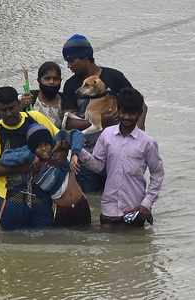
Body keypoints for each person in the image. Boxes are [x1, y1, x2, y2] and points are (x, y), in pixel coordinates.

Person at [60, 34, 148, 193]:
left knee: (124, 197)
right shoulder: (71, 85)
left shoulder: (114, 77)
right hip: (86, 155)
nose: (69, 66)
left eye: (72, 60)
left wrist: (139, 134)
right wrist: (100, 121)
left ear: (86, 57)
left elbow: (141, 106)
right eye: (67, 61)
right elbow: (68, 124)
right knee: (90, 202)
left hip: (119, 154)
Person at [78, 87, 164, 228]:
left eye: (132, 114)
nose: (127, 117)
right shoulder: (106, 135)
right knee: (109, 246)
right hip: (109, 208)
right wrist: (78, 151)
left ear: (139, 114)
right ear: (118, 110)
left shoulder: (147, 142)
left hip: (135, 208)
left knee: (135, 247)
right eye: (124, 112)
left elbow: (158, 173)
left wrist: (146, 203)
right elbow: (99, 166)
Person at [0, 86, 59, 230]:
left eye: (12, 108)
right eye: (3, 110)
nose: (9, 113)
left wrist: (46, 160)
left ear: (18, 104)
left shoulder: (35, 118)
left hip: (41, 195)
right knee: (10, 241)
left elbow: (60, 141)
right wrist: (27, 167)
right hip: (11, 199)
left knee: (47, 239)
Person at [0, 124, 91, 227]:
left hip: (81, 204)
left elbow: (77, 134)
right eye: (38, 146)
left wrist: (75, 154)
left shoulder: (59, 147)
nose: (43, 149)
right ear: (32, 147)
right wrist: (31, 155)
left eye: (46, 144)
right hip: (62, 211)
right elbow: (5, 158)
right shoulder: (30, 157)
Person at [20, 62, 64, 128]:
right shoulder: (30, 99)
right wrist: (21, 107)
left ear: (60, 81)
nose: (51, 82)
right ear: (39, 80)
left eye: (55, 79)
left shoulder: (66, 100)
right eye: (47, 78)